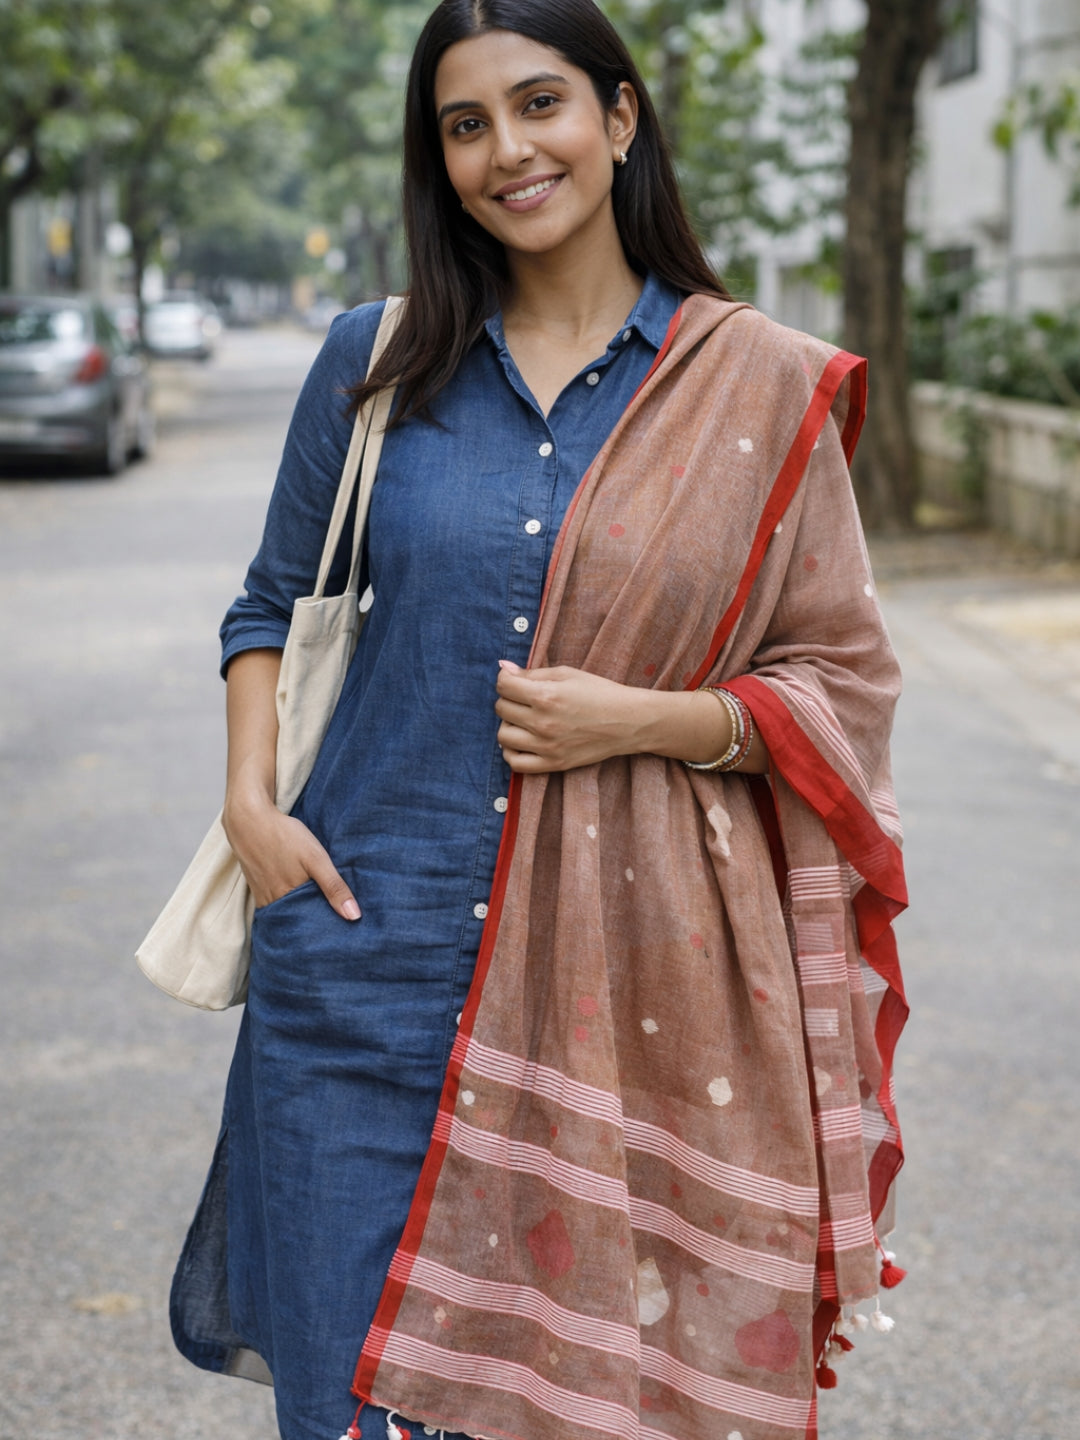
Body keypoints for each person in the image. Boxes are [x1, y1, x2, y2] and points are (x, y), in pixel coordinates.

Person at [169, 3, 909, 1439]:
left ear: (619, 119)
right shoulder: (380, 362)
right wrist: (252, 810)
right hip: (361, 971)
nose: (508, 149)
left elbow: (843, 676)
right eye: (466, 125)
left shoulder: (756, 385)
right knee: (348, 1413)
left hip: (617, 1008)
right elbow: (270, 606)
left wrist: (647, 720)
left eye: (540, 103)